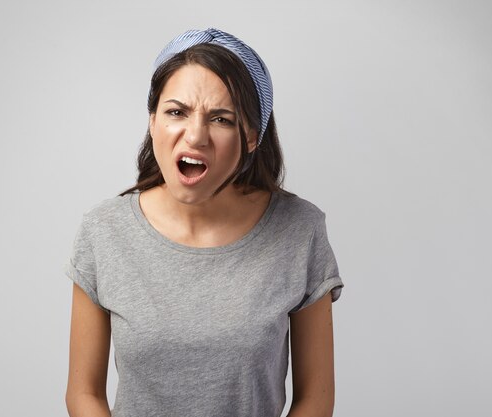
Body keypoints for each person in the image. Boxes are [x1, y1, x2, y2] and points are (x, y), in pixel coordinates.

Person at [63, 28, 344, 417]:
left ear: (251, 136)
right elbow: (84, 394)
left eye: (221, 119)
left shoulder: (300, 230)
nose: (195, 136)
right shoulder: (103, 231)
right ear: (153, 120)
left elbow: (316, 398)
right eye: (176, 112)